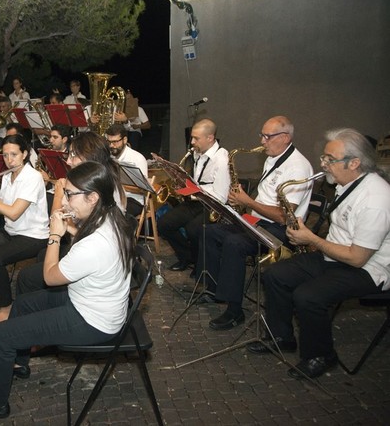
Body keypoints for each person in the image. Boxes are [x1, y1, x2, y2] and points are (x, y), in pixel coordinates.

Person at [0, 161, 135, 419]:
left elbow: (51, 277)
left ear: (93, 197)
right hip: (93, 301)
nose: (64, 200)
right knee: (22, 305)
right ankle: (17, 363)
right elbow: (85, 247)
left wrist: (54, 235)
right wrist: (71, 228)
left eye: (70, 194)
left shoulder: (98, 242)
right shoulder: (110, 214)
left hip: (92, 320)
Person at [247, 128, 390, 379]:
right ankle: (281, 337)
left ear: (355, 163)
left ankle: (321, 355)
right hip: (336, 255)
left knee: (308, 296)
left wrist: (311, 239)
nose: (323, 165)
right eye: (324, 158)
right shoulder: (347, 183)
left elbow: (357, 258)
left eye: (329, 160)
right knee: (276, 274)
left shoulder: (376, 198)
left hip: (368, 268)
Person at [197, 115, 314, 330]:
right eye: (262, 135)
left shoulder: (298, 167)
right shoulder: (272, 157)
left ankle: (234, 311)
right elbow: (265, 198)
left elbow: (283, 216)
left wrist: (247, 201)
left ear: (286, 137)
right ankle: (214, 290)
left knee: (235, 243)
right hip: (259, 220)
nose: (262, 141)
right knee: (210, 231)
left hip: (282, 230)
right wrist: (241, 205)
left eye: (268, 136)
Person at [16, 131, 126, 296]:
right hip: (83, 240)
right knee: (42, 255)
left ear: (90, 157)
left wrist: (60, 194)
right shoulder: (96, 179)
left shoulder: (103, 188)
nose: (68, 161)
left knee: (26, 277)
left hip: (90, 250)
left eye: (73, 155)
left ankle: (53, 301)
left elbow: (57, 217)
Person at [0, 134, 49, 323]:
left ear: (25, 154)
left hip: (33, 235)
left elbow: (13, 213)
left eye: (14, 154)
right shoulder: (7, 176)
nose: (9, 160)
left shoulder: (33, 177)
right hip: (12, 231)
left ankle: (7, 305)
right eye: (5, 155)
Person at [156, 118, 230, 271]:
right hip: (196, 200)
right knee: (164, 224)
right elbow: (198, 182)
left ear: (210, 138)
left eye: (196, 138)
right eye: (192, 137)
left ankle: (200, 265)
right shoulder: (198, 152)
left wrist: (192, 192)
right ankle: (187, 257)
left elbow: (221, 196)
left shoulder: (222, 160)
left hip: (212, 205)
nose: (192, 142)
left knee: (194, 229)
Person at [105, 124, 149, 217]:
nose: (111, 145)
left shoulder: (137, 158)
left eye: (115, 142)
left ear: (124, 140)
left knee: (115, 214)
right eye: (109, 142)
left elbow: (142, 189)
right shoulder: (108, 157)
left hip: (133, 199)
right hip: (114, 197)